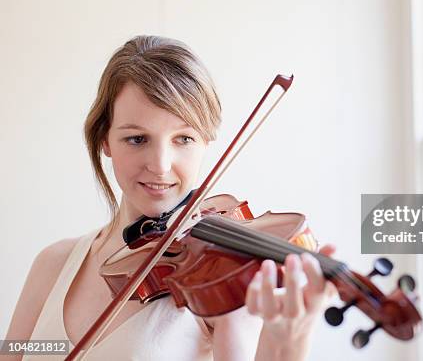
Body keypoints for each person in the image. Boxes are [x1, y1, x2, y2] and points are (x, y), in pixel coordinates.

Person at [5, 35, 336, 360]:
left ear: (206, 141)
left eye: (184, 138)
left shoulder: (216, 289)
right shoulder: (53, 263)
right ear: (105, 139)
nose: (161, 165)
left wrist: (290, 345)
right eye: (137, 139)